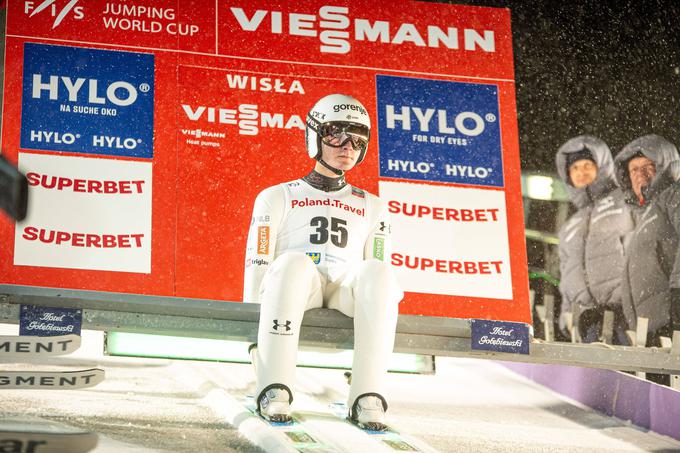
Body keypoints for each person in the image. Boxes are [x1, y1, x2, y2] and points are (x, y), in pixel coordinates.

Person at [242, 94, 403, 430]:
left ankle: (368, 396)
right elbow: (258, 262)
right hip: (300, 289)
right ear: (314, 136)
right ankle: (274, 388)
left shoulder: (373, 206)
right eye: (336, 134)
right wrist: (253, 336)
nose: (347, 146)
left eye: (357, 139)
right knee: (292, 264)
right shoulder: (277, 196)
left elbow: (375, 273)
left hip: (344, 290)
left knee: (379, 271)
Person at [556, 135, 633, 344]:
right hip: (587, 321)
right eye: (575, 168)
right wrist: (567, 315)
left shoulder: (624, 200)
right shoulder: (570, 225)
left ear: (602, 166)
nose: (581, 173)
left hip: (624, 317)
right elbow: (566, 271)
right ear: (567, 175)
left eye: (587, 165)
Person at [617, 135, 680, 351]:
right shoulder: (644, 215)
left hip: (671, 324)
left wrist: (678, 290)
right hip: (649, 332)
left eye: (648, 166)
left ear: (665, 166)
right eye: (634, 169)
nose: (640, 174)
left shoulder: (674, 194)